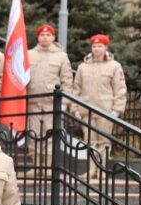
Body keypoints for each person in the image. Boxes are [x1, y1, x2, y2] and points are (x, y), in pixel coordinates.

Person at [72, 34, 127, 178]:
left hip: (105, 110)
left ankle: (102, 169)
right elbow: (76, 89)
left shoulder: (114, 66)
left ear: (105, 47)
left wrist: (117, 110)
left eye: (99, 46)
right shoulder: (83, 67)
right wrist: (75, 108)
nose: (96, 49)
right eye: (94, 46)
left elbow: (120, 89)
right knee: (90, 141)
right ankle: (92, 169)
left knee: (104, 141)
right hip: (87, 110)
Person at [27, 24, 73, 164]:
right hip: (33, 101)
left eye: (48, 35)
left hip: (51, 102)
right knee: (34, 132)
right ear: (38, 37)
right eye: (42, 35)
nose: (45, 37)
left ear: (53, 37)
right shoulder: (29, 54)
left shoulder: (61, 56)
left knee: (50, 133)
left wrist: (64, 102)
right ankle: (36, 164)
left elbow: (67, 80)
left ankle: (48, 164)